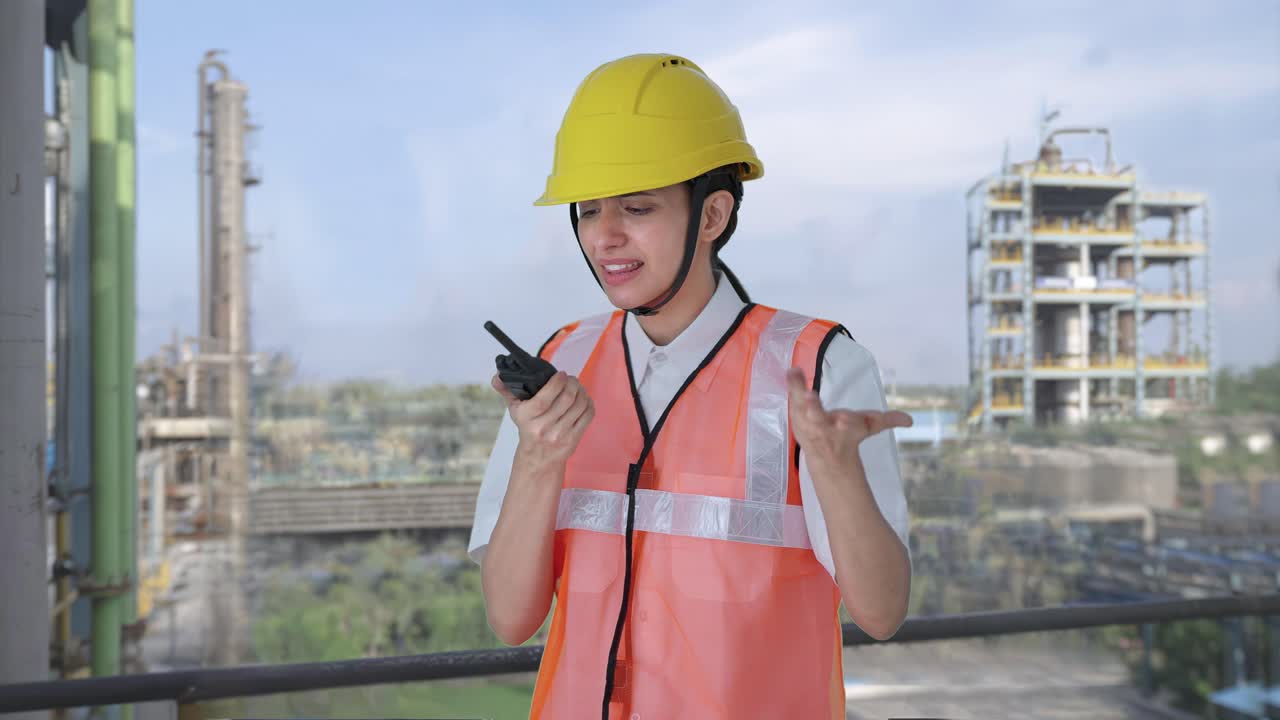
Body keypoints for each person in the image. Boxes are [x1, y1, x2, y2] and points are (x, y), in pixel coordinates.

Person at [468, 53, 913, 719]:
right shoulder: (562, 365)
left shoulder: (818, 369)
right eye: (588, 211)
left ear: (712, 216)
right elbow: (510, 619)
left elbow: (881, 613)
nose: (605, 237)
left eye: (637, 207)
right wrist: (540, 457)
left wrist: (833, 467)